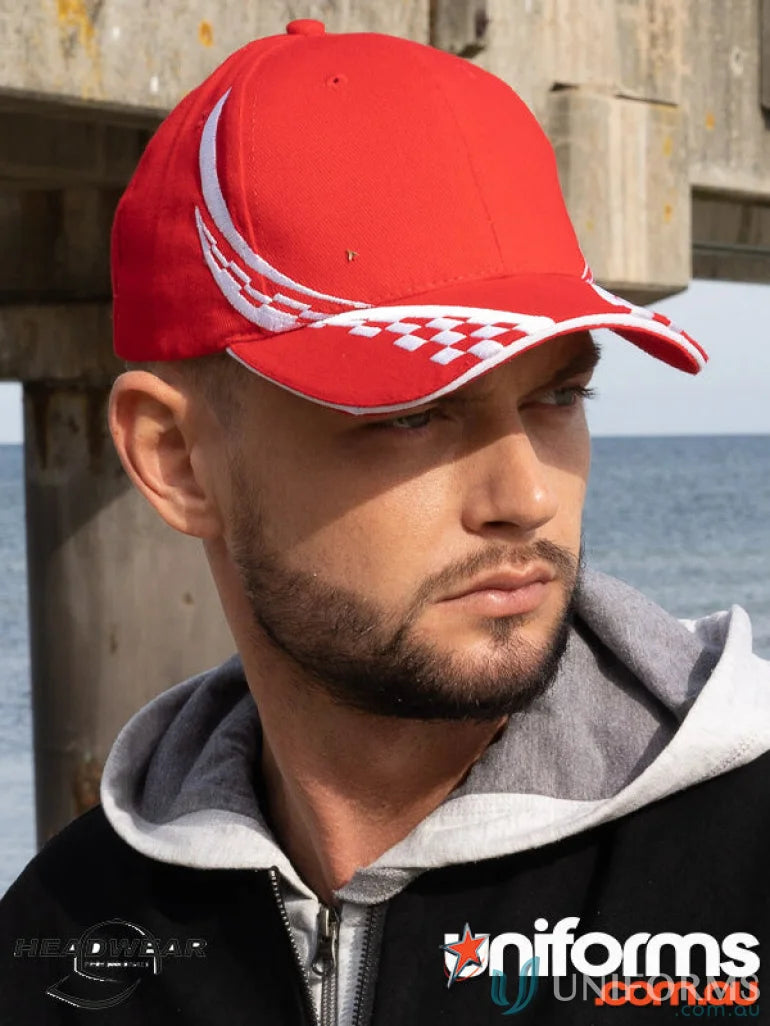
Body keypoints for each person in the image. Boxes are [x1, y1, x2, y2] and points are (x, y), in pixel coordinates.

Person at [1, 19, 768, 1026]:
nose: (525, 497)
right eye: (410, 414)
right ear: (176, 461)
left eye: (554, 398)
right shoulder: (60, 940)